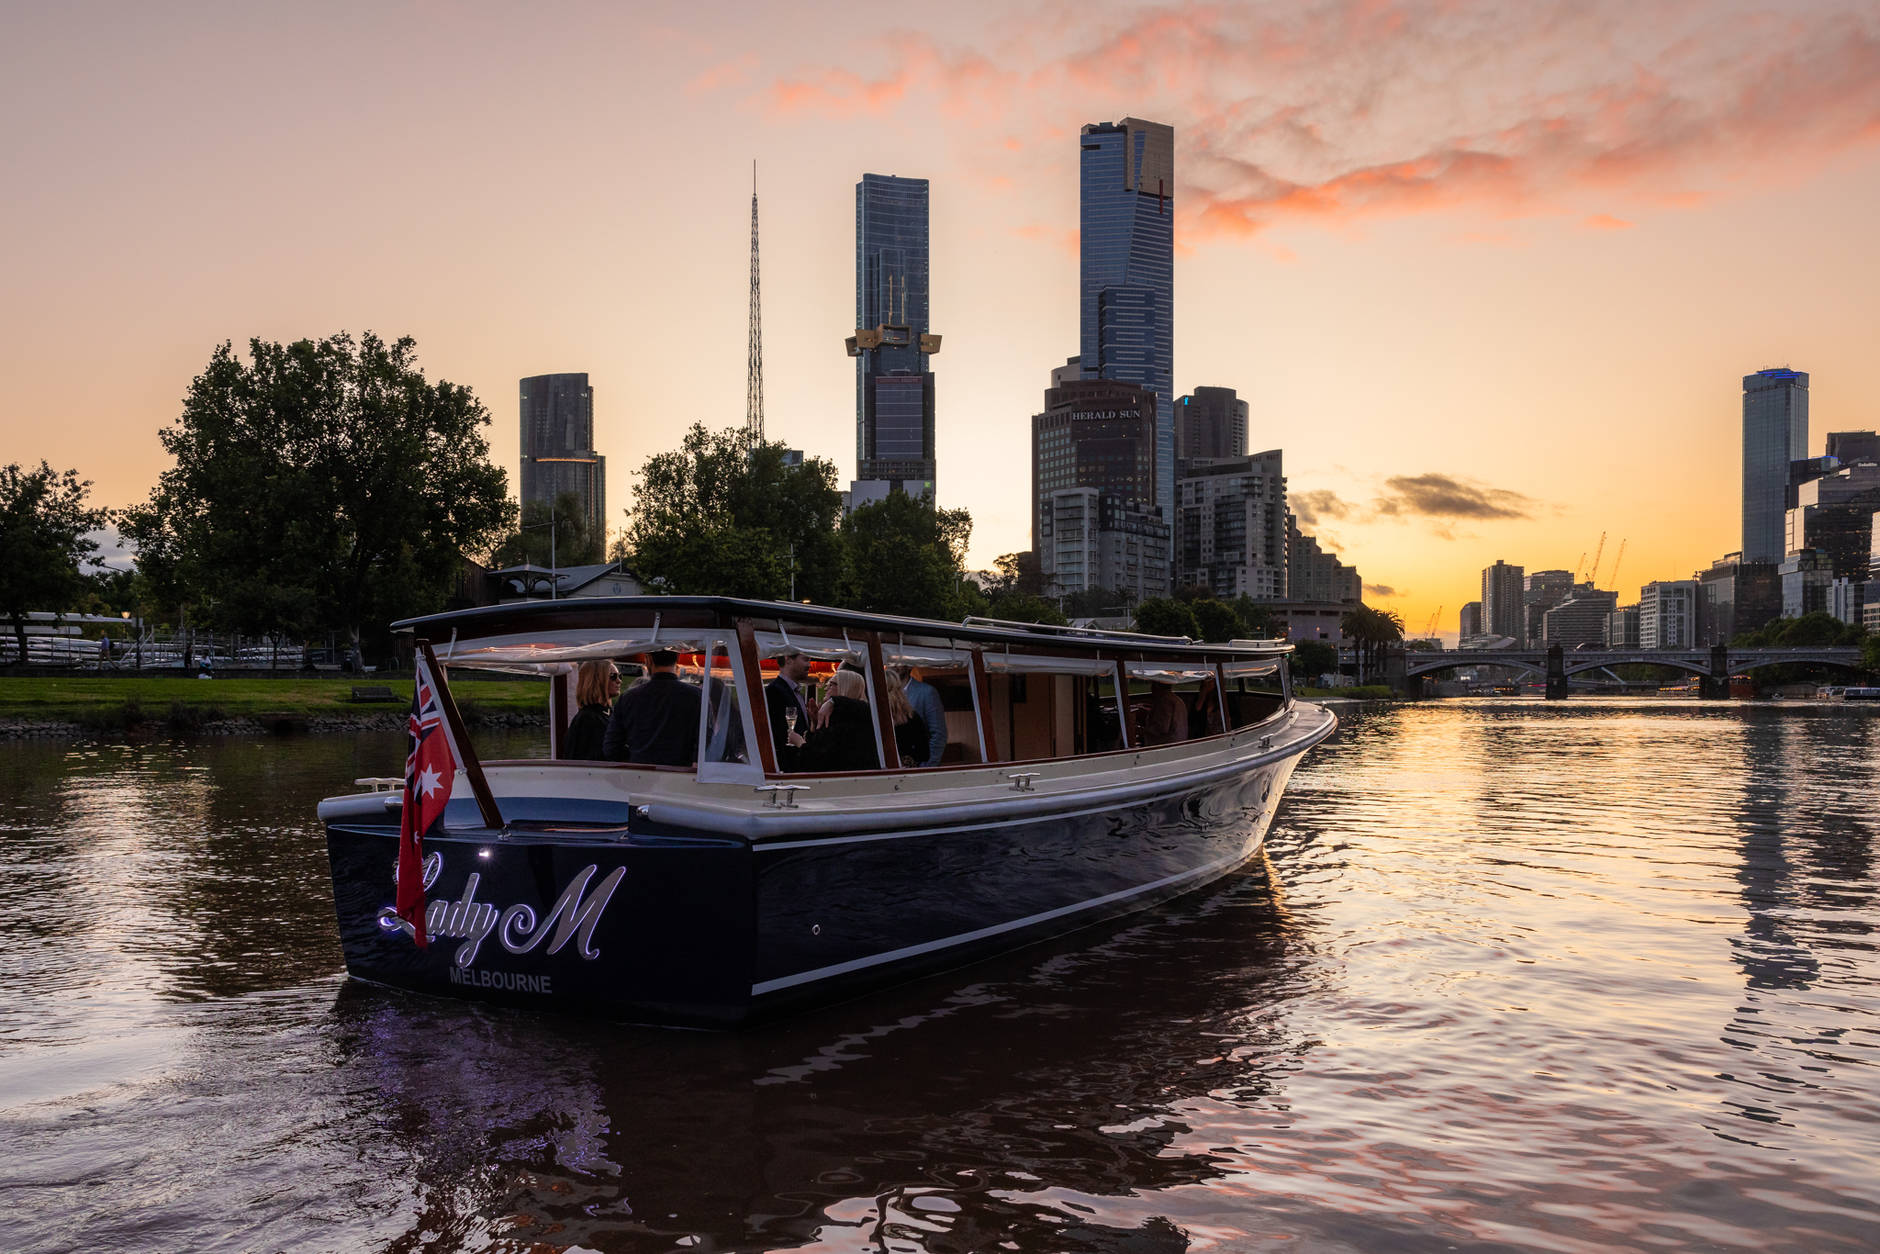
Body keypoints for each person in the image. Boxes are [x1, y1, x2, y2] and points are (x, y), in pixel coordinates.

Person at [602, 649, 699, 765]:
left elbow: (611, 748)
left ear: (648, 660)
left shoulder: (628, 699)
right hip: (682, 776)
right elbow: (707, 745)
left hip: (640, 776)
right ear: (677, 658)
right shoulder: (697, 697)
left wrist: (636, 758)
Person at [799, 669, 881, 772]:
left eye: (832, 685)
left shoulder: (849, 718)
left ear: (846, 687)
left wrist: (800, 743)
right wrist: (814, 725)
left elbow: (817, 760)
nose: (826, 688)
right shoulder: (841, 716)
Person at [765, 649, 814, 769]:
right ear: (788, 659)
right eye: (805, 659)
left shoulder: (797, 692)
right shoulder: (773, 691)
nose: (809, 665)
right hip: (786, 765)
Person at [565, 660, 620, 761]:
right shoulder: (587, 719)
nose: (619, 681)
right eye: (613, 676)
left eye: (619, 676)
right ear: (597, 680)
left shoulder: (611, 714)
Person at [897, 666, 948, 767]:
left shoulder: (927, 692)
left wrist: (926, 767)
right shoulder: (883, 692)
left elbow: (938, 734)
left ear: (909, 665)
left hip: (918, 767)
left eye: (899, 660)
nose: (892, 664)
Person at [882, 670, 929, 768]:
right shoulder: (911, 715)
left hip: (883, 769)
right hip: (908, 770)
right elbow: (924, 753)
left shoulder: (874, 715)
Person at [1141, 681, 1188, 747]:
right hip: (1180, 742)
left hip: (1167, 744)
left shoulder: (1164, 701)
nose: (1151, 688)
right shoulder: (1176, 699)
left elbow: (1162, 728)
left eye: (1152, 685)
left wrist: (1144, 729)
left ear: (1156, 686)